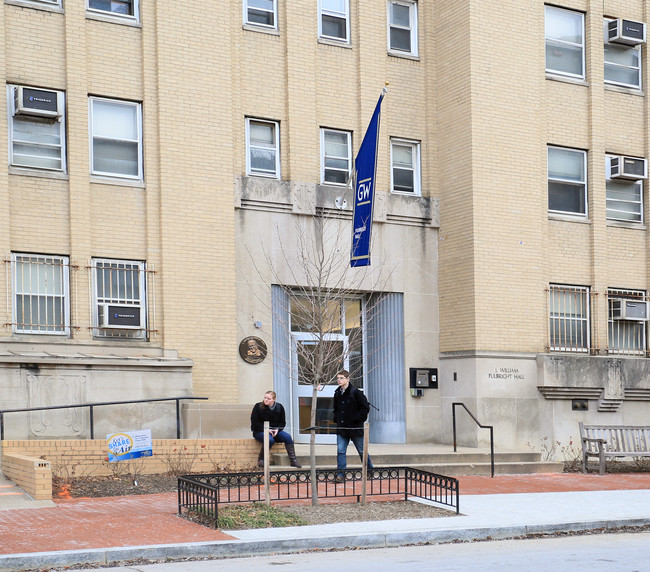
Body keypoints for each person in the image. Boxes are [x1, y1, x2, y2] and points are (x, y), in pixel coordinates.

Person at [332, 369, 373, 480]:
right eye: (338, 378)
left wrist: (357, 419)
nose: (339, 380)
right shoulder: (337, 393)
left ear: (347, 379)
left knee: (361, 451)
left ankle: (369, 471)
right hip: (342, 428)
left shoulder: (356, 392)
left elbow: (365, 408)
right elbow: (335, 408)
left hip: (355, 428)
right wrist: (336, 418)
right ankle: (340, 475)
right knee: (340, 451)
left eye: (341, 378)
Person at [250, 390, 302, 468]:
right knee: (270, 440)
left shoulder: (279, 407)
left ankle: (293, 461)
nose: (266, 400)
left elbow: (282, 423)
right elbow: (254, 422)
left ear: (274, 399)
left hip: (275, 431)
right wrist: (267, 430)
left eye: (268, 398)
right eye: (265, 398)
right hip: (260, 431)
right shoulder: (258, 406)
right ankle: (261, 460)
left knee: (288, 437)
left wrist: (277, 429)